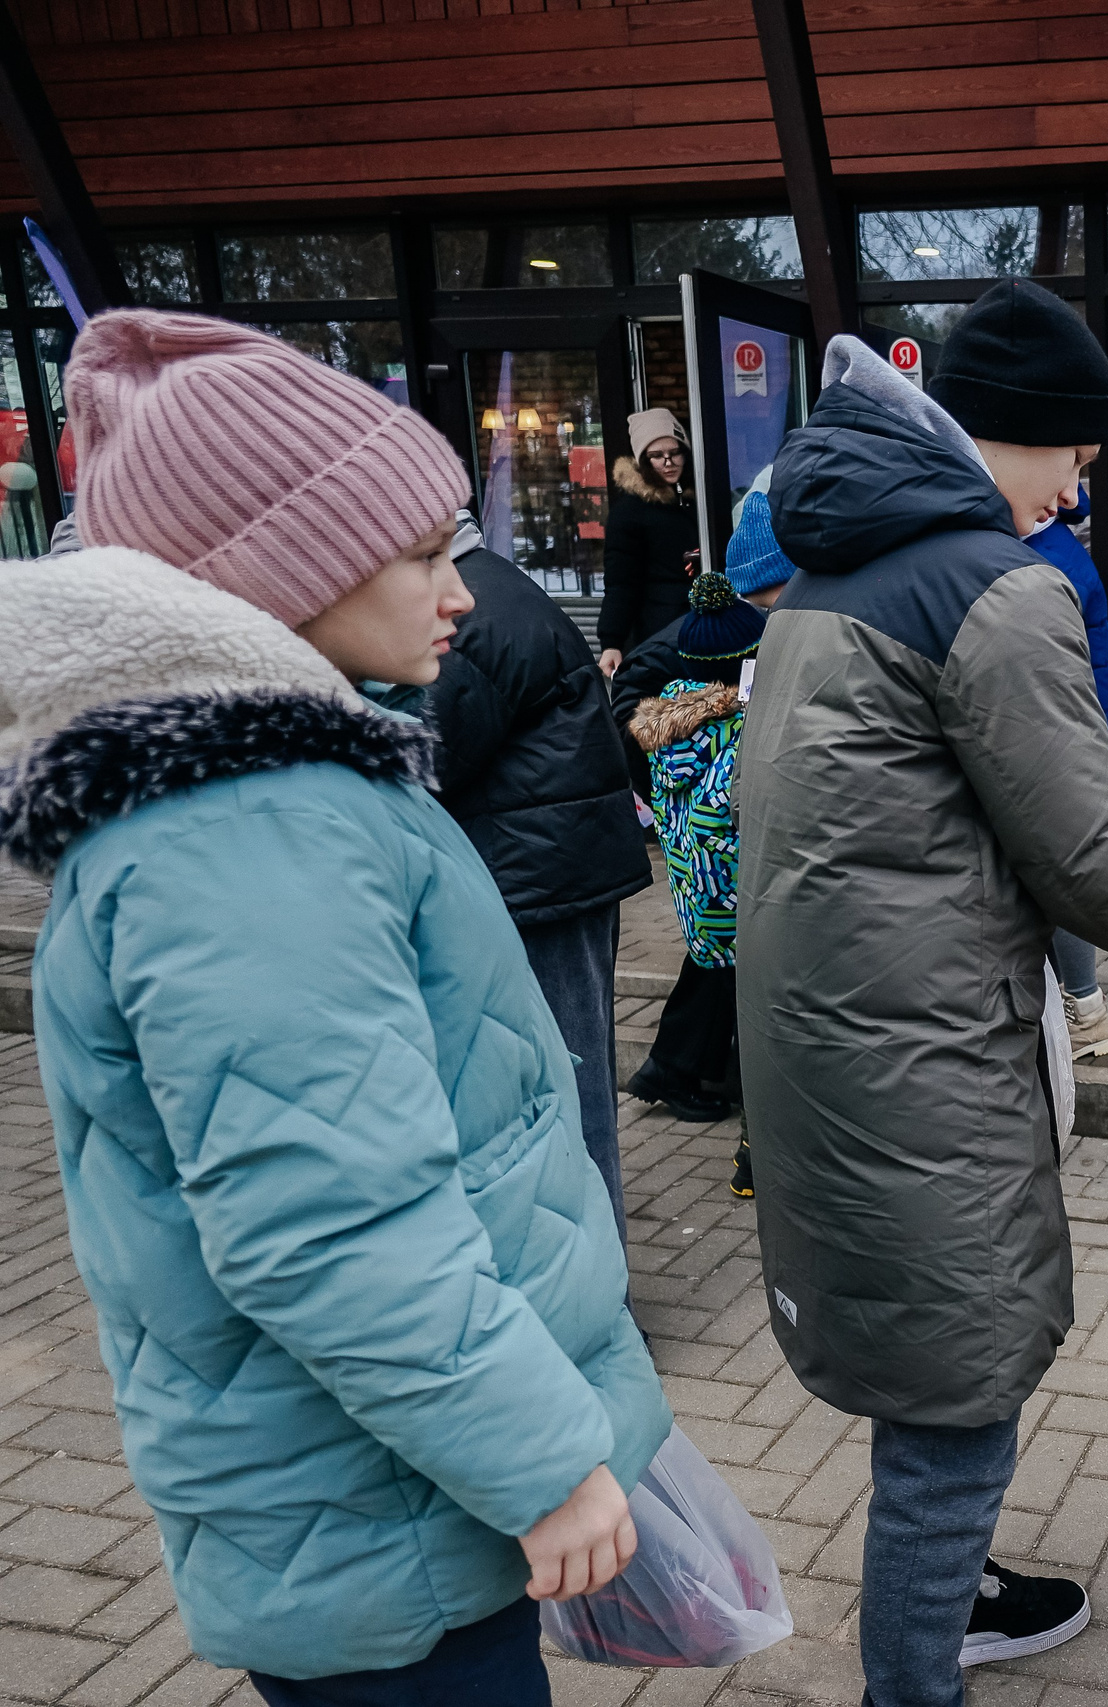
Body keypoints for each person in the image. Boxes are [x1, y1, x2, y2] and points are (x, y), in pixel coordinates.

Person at [4, 311, 668, 1703]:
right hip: (384, 1518)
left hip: (382, 1491)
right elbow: (329, 1226)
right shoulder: (249, 828)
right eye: (422, 553)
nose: (462, 592)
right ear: (279, 570)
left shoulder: (264, 795)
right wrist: (545, 1462)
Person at [738, 280, 1108, 1707]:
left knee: (927, 1372)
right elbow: (1099, 871)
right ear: (1011, 435)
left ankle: (953, 1590)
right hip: (922, 1067)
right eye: (1074, 457)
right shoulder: (995, 586)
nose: (1076, 491)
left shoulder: (832, 571)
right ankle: (916, 1677)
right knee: (959, 1403)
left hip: (839, 1059)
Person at [422, 506, 653, 1234]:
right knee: (570, 1086)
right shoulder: (484, 587)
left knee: (567, 1093)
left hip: (542, 887)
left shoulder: (469, 610)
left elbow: (424, 758)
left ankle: (599, 1278)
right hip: (550, 875)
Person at [629, 569, 763, 1187]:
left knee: (729, 995)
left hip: (697, 900)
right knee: (759, 1015)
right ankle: (755, 1144)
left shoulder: (669, 723)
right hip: (744, 897)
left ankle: (694, 1080)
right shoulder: (742, 728)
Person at [1026, 486, 1108, 1059]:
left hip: (1067, 748)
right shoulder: (1058, 548)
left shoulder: (1042, 560)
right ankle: (1081, 1011)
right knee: (1063, 877)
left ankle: (1085, 1013)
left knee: (1059, 879)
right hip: (1084, 741)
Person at [598, 406, 697, 675]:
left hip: (699, 622)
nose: (668, 462)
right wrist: (612, 641)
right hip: (658, 631)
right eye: (656, 456)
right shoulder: (630, 511)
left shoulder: (694, 499)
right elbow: (621, 581)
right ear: (643, 460)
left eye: (675, 452)